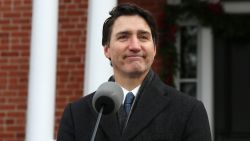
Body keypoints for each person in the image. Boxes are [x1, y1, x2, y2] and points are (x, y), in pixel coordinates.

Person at [57, 3, 212, 141]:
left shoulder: (189, 111)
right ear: (107, 49)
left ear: (155, 48)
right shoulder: (76, 115)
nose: (135, 46)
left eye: (143, 37)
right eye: (123, 37)